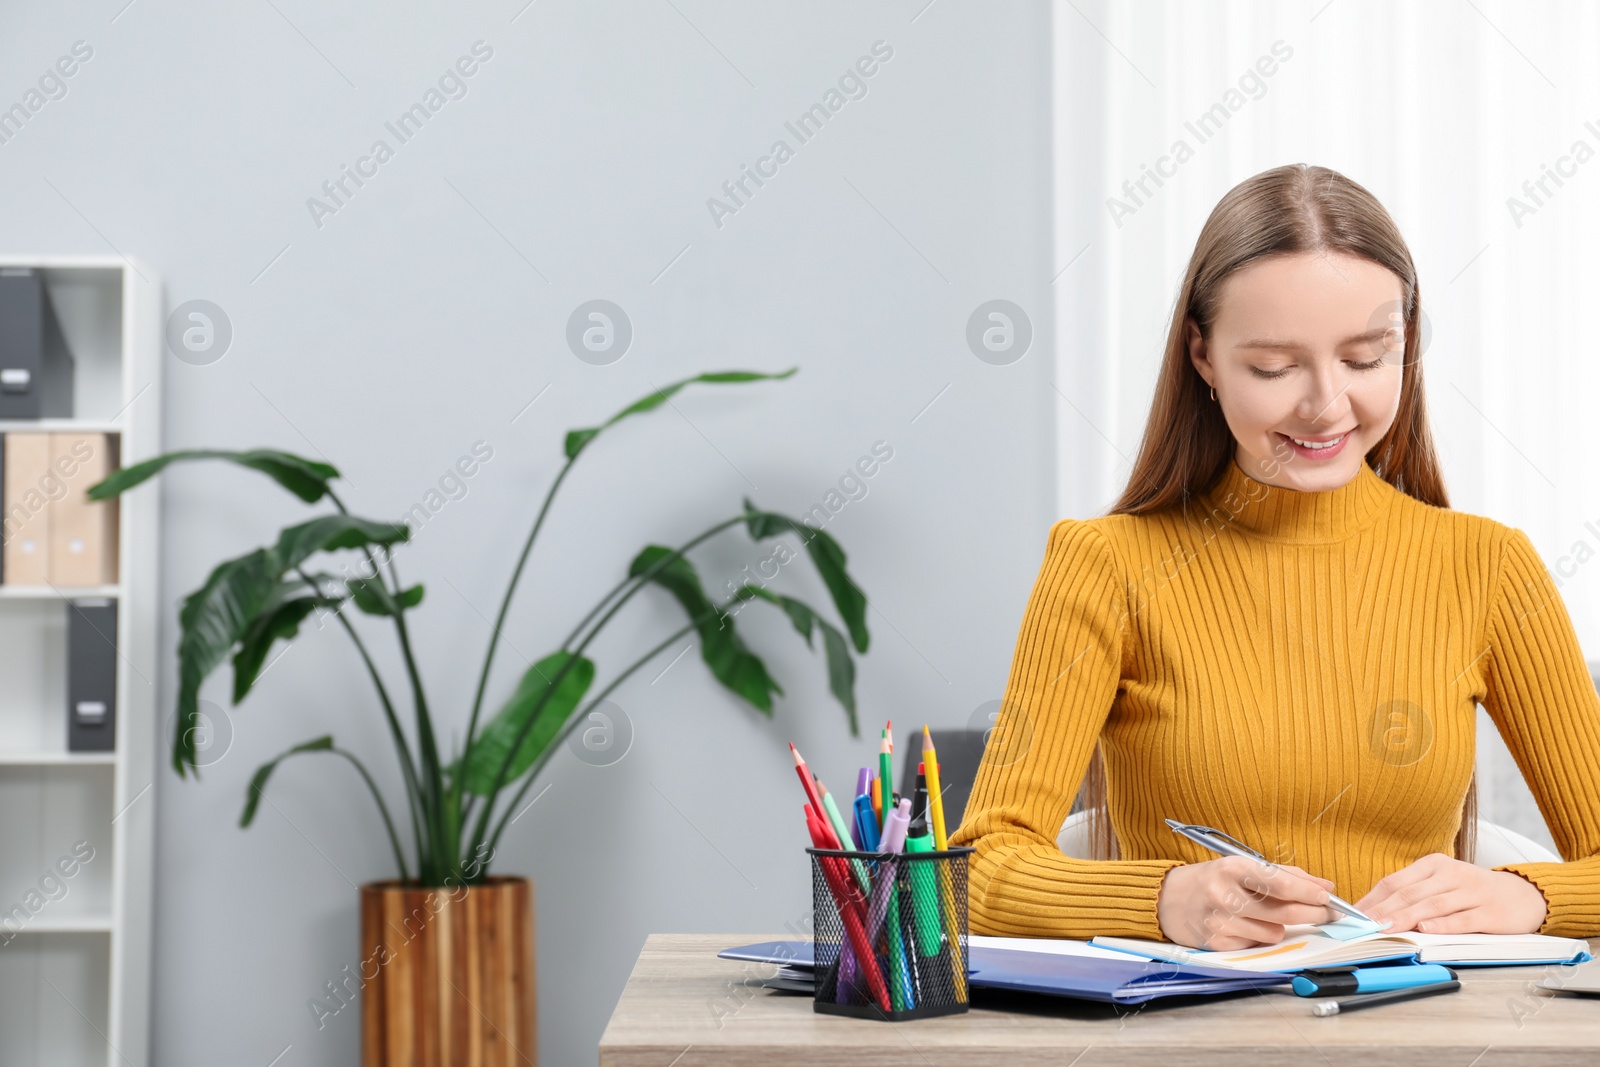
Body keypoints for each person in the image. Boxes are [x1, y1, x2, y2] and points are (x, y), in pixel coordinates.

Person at [948, 163, 1600, 950]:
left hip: (1414, 1028)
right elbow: (979, 868)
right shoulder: (1103, 564)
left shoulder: (1488, 566)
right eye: (1274, 366)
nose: (1326, 403)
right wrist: (1167, 900)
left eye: (1365, 358)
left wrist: (1524, 895)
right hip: (1185, 1034)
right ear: (1203, 355)